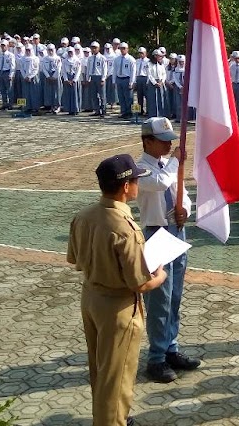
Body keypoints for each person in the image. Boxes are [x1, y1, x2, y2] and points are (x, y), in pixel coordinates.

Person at [67, 155, 167, 426]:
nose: (137, 185)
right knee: (118, 377)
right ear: (125, 187)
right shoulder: (124, 227)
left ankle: (112, 416)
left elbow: (73, 259)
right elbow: (140, 283)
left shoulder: (83, 216)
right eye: (135, 180)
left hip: (91, 297)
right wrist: (160, 275)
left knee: (101, 370)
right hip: (118, 306)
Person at [136, 118, 199, 383]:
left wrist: (186, 211)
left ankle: (170, 347)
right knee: (159, 300)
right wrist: (176, 161)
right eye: (163, 140)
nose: (169, 143)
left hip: (176, 229)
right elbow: (160, 184)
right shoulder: (140, 168)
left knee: (174, 296)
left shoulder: (167, 166)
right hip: (156, 233)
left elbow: (180, 195)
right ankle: (156, 358)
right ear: (147, 141)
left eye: (170, 138)